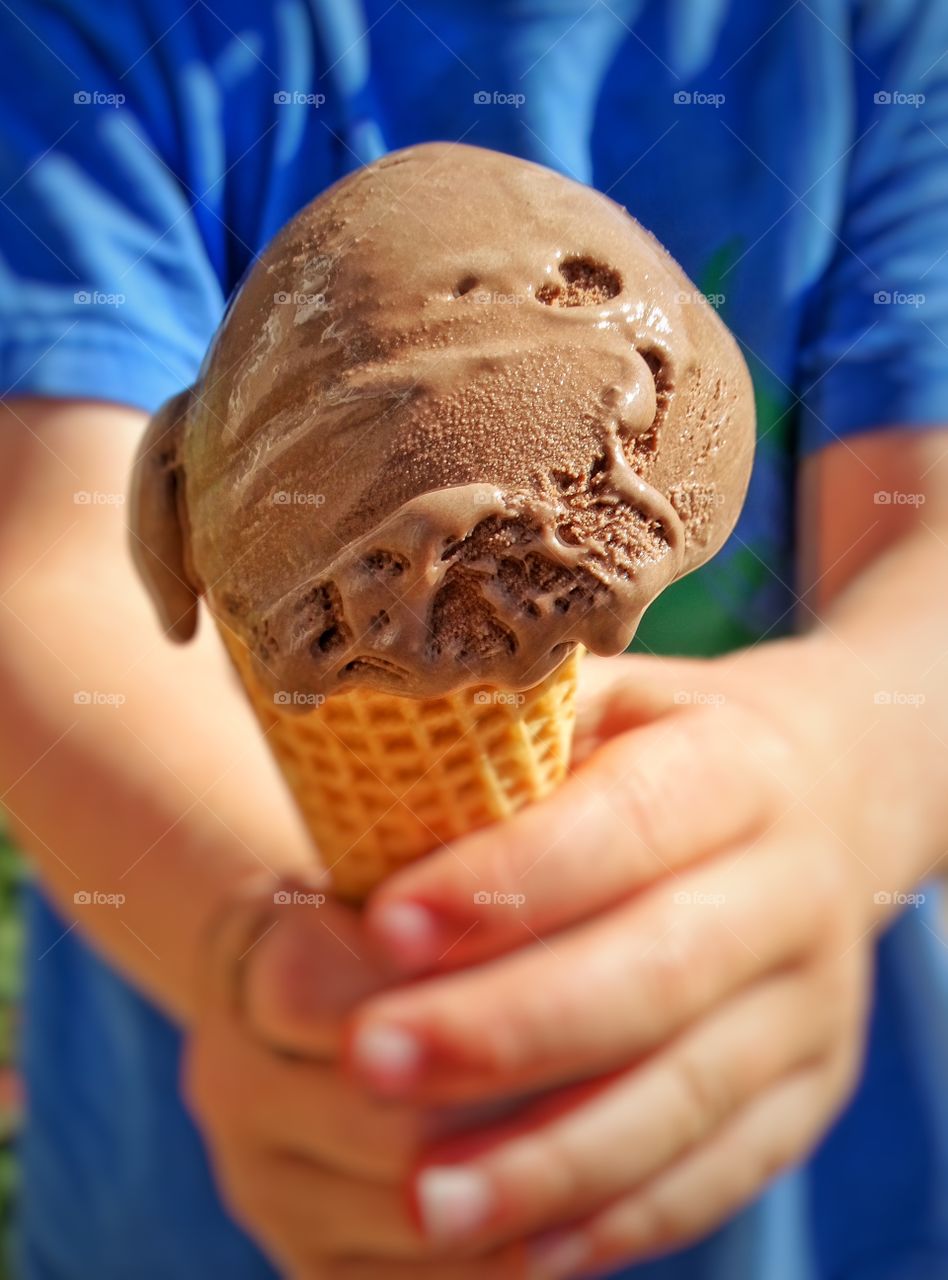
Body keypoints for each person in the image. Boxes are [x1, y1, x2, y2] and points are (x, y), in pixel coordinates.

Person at [1, 1, 946, 1277]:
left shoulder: (871, 36)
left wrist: (842, 780)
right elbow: (43, 561)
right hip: (206, 1190)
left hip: (811, 1200)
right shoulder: (106, 29)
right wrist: (258, 956)